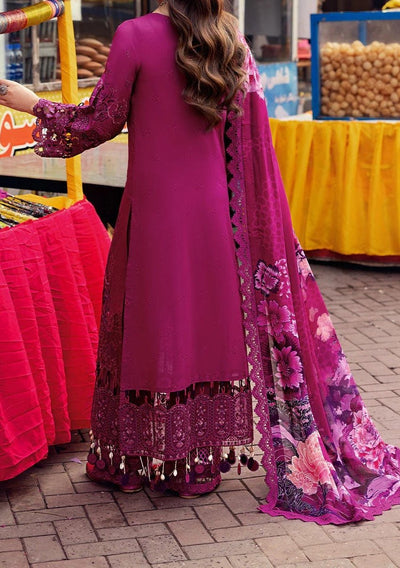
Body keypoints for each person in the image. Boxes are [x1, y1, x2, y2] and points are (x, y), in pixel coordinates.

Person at [2, 0, 400, 523]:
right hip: (217, 212)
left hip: (158, 211)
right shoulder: (229, 39)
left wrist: (32, 103)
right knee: (201, 327)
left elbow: (100, 121)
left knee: (153, 325)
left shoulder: (134, 35)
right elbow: (248, 136)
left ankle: (139, 460)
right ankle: (195, 467)